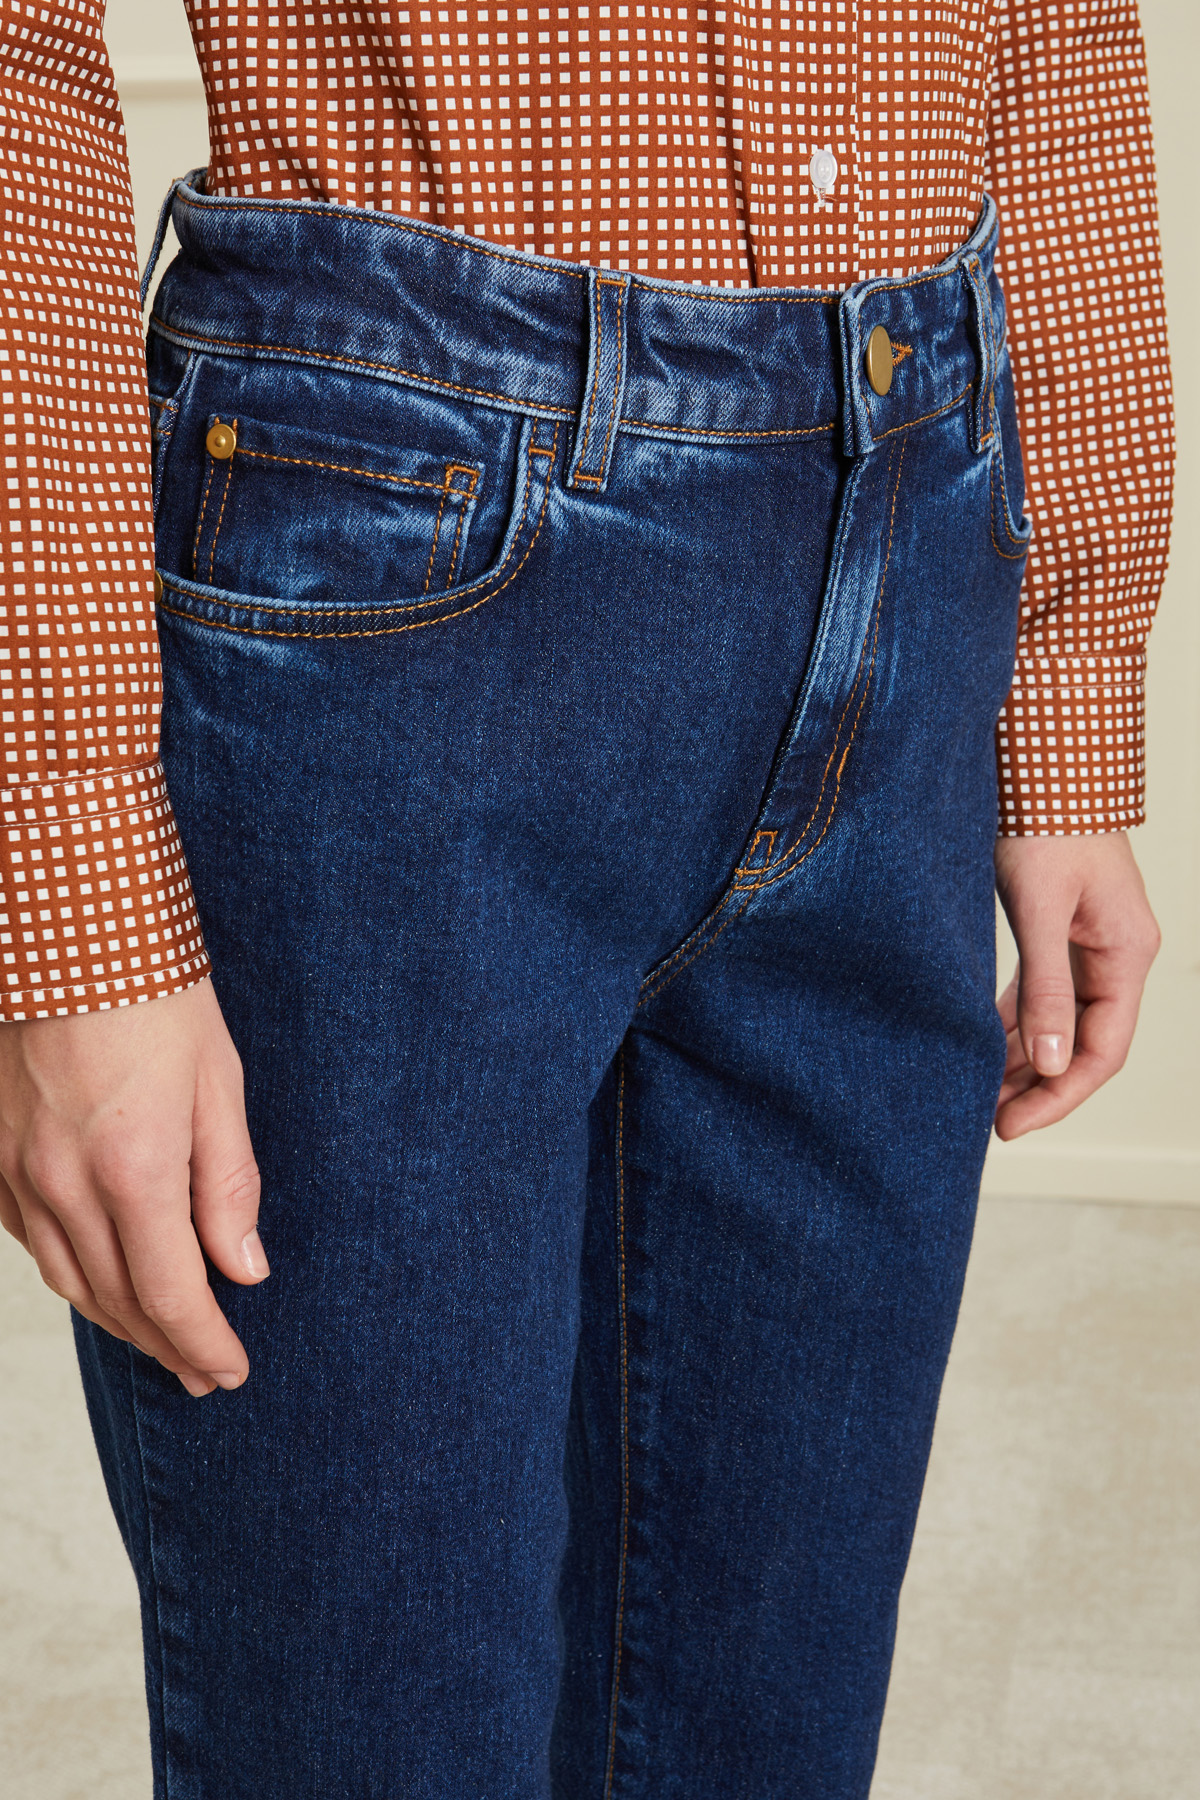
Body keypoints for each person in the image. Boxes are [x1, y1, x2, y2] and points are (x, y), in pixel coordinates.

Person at [0, 2, 1171, 1795]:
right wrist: (69, 877)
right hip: (400, 565)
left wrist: (1071, 678)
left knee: (764, 1736)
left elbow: (1062, 32)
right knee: (375, 1735)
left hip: (915, 528)